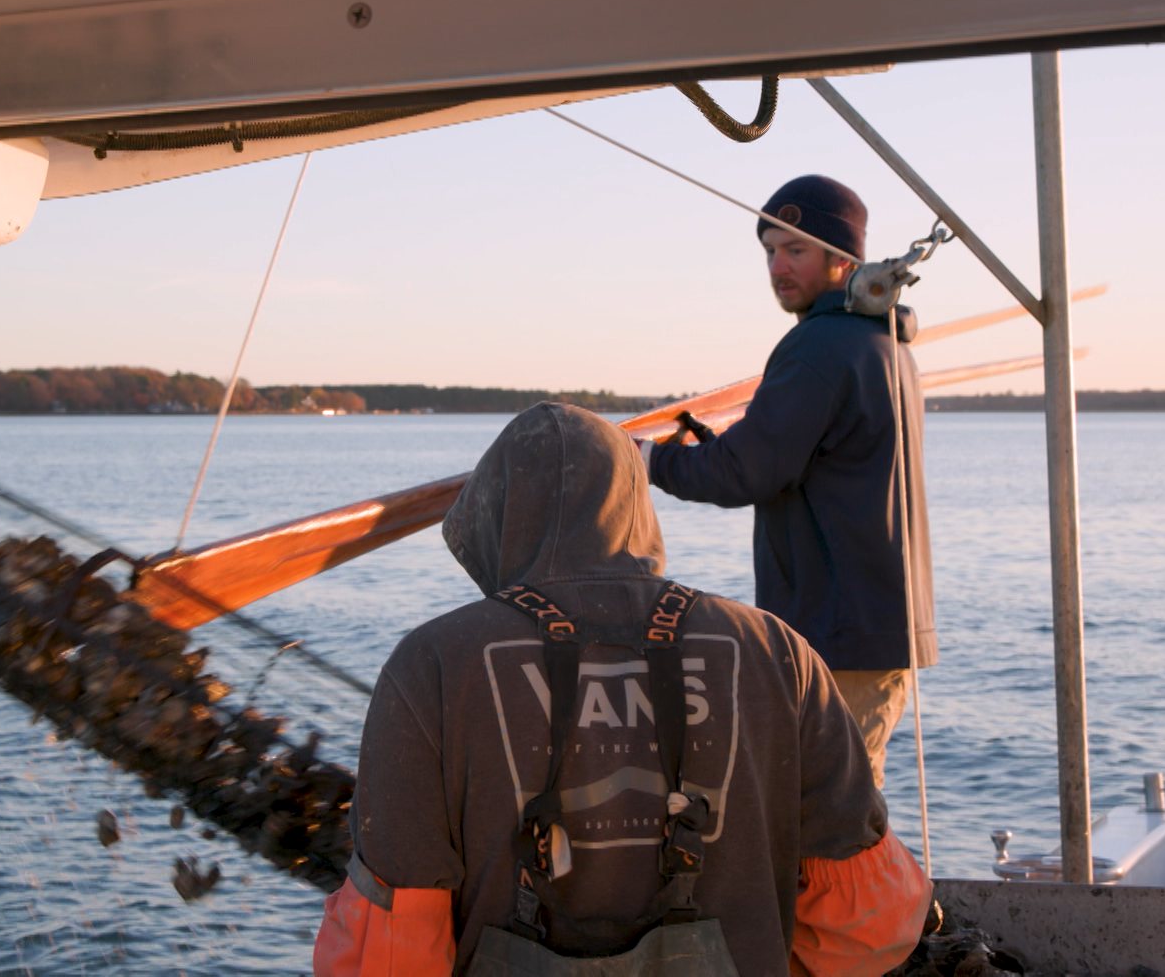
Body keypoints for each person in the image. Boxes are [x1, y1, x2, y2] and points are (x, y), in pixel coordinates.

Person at [314, 403, 930, 976]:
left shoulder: (431, 667)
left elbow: (387, 959)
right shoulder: (775, 652)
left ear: (490, 518)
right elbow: (870, 923)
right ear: (636, 505)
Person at [643, 175, 934, 789]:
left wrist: (645, 459)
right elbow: (796, 461)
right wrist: (713, 444)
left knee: (825, 821)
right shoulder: (880, 345)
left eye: (795, 250)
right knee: (844, 812)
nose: (778, 266)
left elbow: (742, 473)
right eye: (770, 251)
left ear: (844, 258)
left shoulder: (820, 348)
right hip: (872, 629)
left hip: (835, 635)